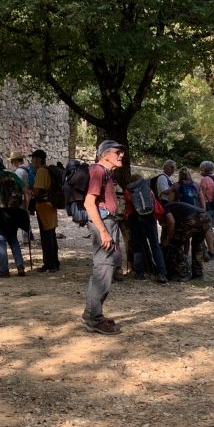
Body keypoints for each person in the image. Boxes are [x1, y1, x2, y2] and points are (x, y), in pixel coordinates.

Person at [81, 140, 126, 335]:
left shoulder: (105, 172)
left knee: (105, 268)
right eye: (117, 152)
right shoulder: (99, 171)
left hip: (108, 223)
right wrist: (103, 231)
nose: (121, 154)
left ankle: (91, 313)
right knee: (103, 270)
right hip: (104, 224)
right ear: (105, 154)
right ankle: (94, 319)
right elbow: (89, 203)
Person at [0, 156, 28, 277]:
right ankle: (20, 266)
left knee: (0, 240)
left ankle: (4, 270)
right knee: (13, 239)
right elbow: (26, 191)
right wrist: (25, 207)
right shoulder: (13, 176)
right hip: (14, 212)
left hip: (0, 213)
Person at [123, 173, 168, 283]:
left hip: (135, 219)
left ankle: (140, 272)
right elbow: (155, 204)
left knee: (138, 246)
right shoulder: (147, 188)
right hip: (149, 218)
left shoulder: (128, 190)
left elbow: (128, 207)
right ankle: (162, 273)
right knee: (155, 246)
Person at [29, 149, 61, 272]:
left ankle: (50, 264)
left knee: (46, 236)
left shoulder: (41, 171)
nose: (32, 161)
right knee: (51, 234)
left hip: (43, 206)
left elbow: (37, 190)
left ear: (38, 159)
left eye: (33, 158)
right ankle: (54, 263)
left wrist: (30, 192)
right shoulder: (48, 170)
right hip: (51, 205)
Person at [164, 201, 212, 281]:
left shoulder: (165, 208)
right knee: (198, 246)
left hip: (193, 219)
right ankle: (198, 274)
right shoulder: (175, 206)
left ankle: (182, 273)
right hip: (206, 217)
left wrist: (169, 238)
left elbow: (171, 222)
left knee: (175, 245)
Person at [199, 161, 214, 259]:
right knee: (210, 229)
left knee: (207, 230)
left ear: (204, 169)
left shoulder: (205, 180)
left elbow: (201, 195)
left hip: (207, 206)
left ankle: (211, 252)